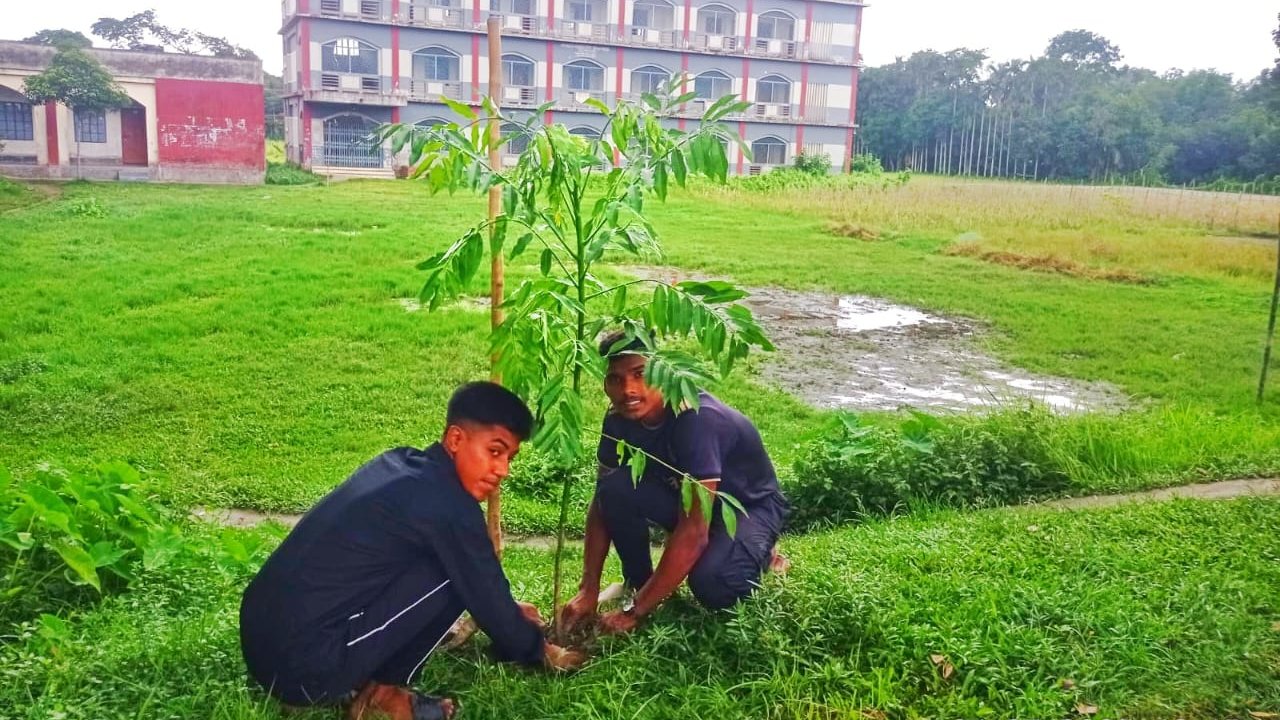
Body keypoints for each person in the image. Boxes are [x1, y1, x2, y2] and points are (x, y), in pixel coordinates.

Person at [239, 381, 583, 720]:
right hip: (303, 668)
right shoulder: (450, 508)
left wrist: (504, 610)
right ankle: (382, 696)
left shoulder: (401, 463)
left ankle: (354, 679)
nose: (503, 470)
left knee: (459, 569)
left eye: (510, 457)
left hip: (262, 640)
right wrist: (538, 648)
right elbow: (485, 592)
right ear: (455, 439)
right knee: (456, 574)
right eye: (494, 451)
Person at [560, 332, 791, 635]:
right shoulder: (618, 418)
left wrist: (634, 612)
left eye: (640, 374)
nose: (628, 390)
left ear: (662, 370)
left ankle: (763, 555)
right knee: (613, 489)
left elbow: (694, 531)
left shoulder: (695, 420)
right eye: (615, 379)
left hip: (746, 508)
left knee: (714, 583)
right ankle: (641, 584)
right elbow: (601, 500)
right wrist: (588, 588)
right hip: (682, 496)